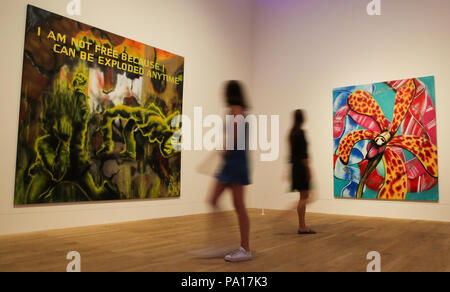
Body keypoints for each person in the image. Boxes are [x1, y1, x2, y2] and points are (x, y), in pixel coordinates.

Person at [209, 80, 252, 262]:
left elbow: (234, 140)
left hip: (236, 164)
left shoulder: (237, 111)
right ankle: (227, 242)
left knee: (239, 206)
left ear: (230, 93)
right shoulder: (235, 111)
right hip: (231, 163)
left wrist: (221, 150)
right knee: (213, 200)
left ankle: (245, 249)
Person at [289, 109, 316, 234]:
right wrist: (309, 170)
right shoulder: (300, 133)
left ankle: (302, 225)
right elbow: (304, 155)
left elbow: (292, 155)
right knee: (306, 197)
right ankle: (300, 224)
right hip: (301, 168)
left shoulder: (292, 133)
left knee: (303, 197)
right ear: (302, 118)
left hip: (295, 167)